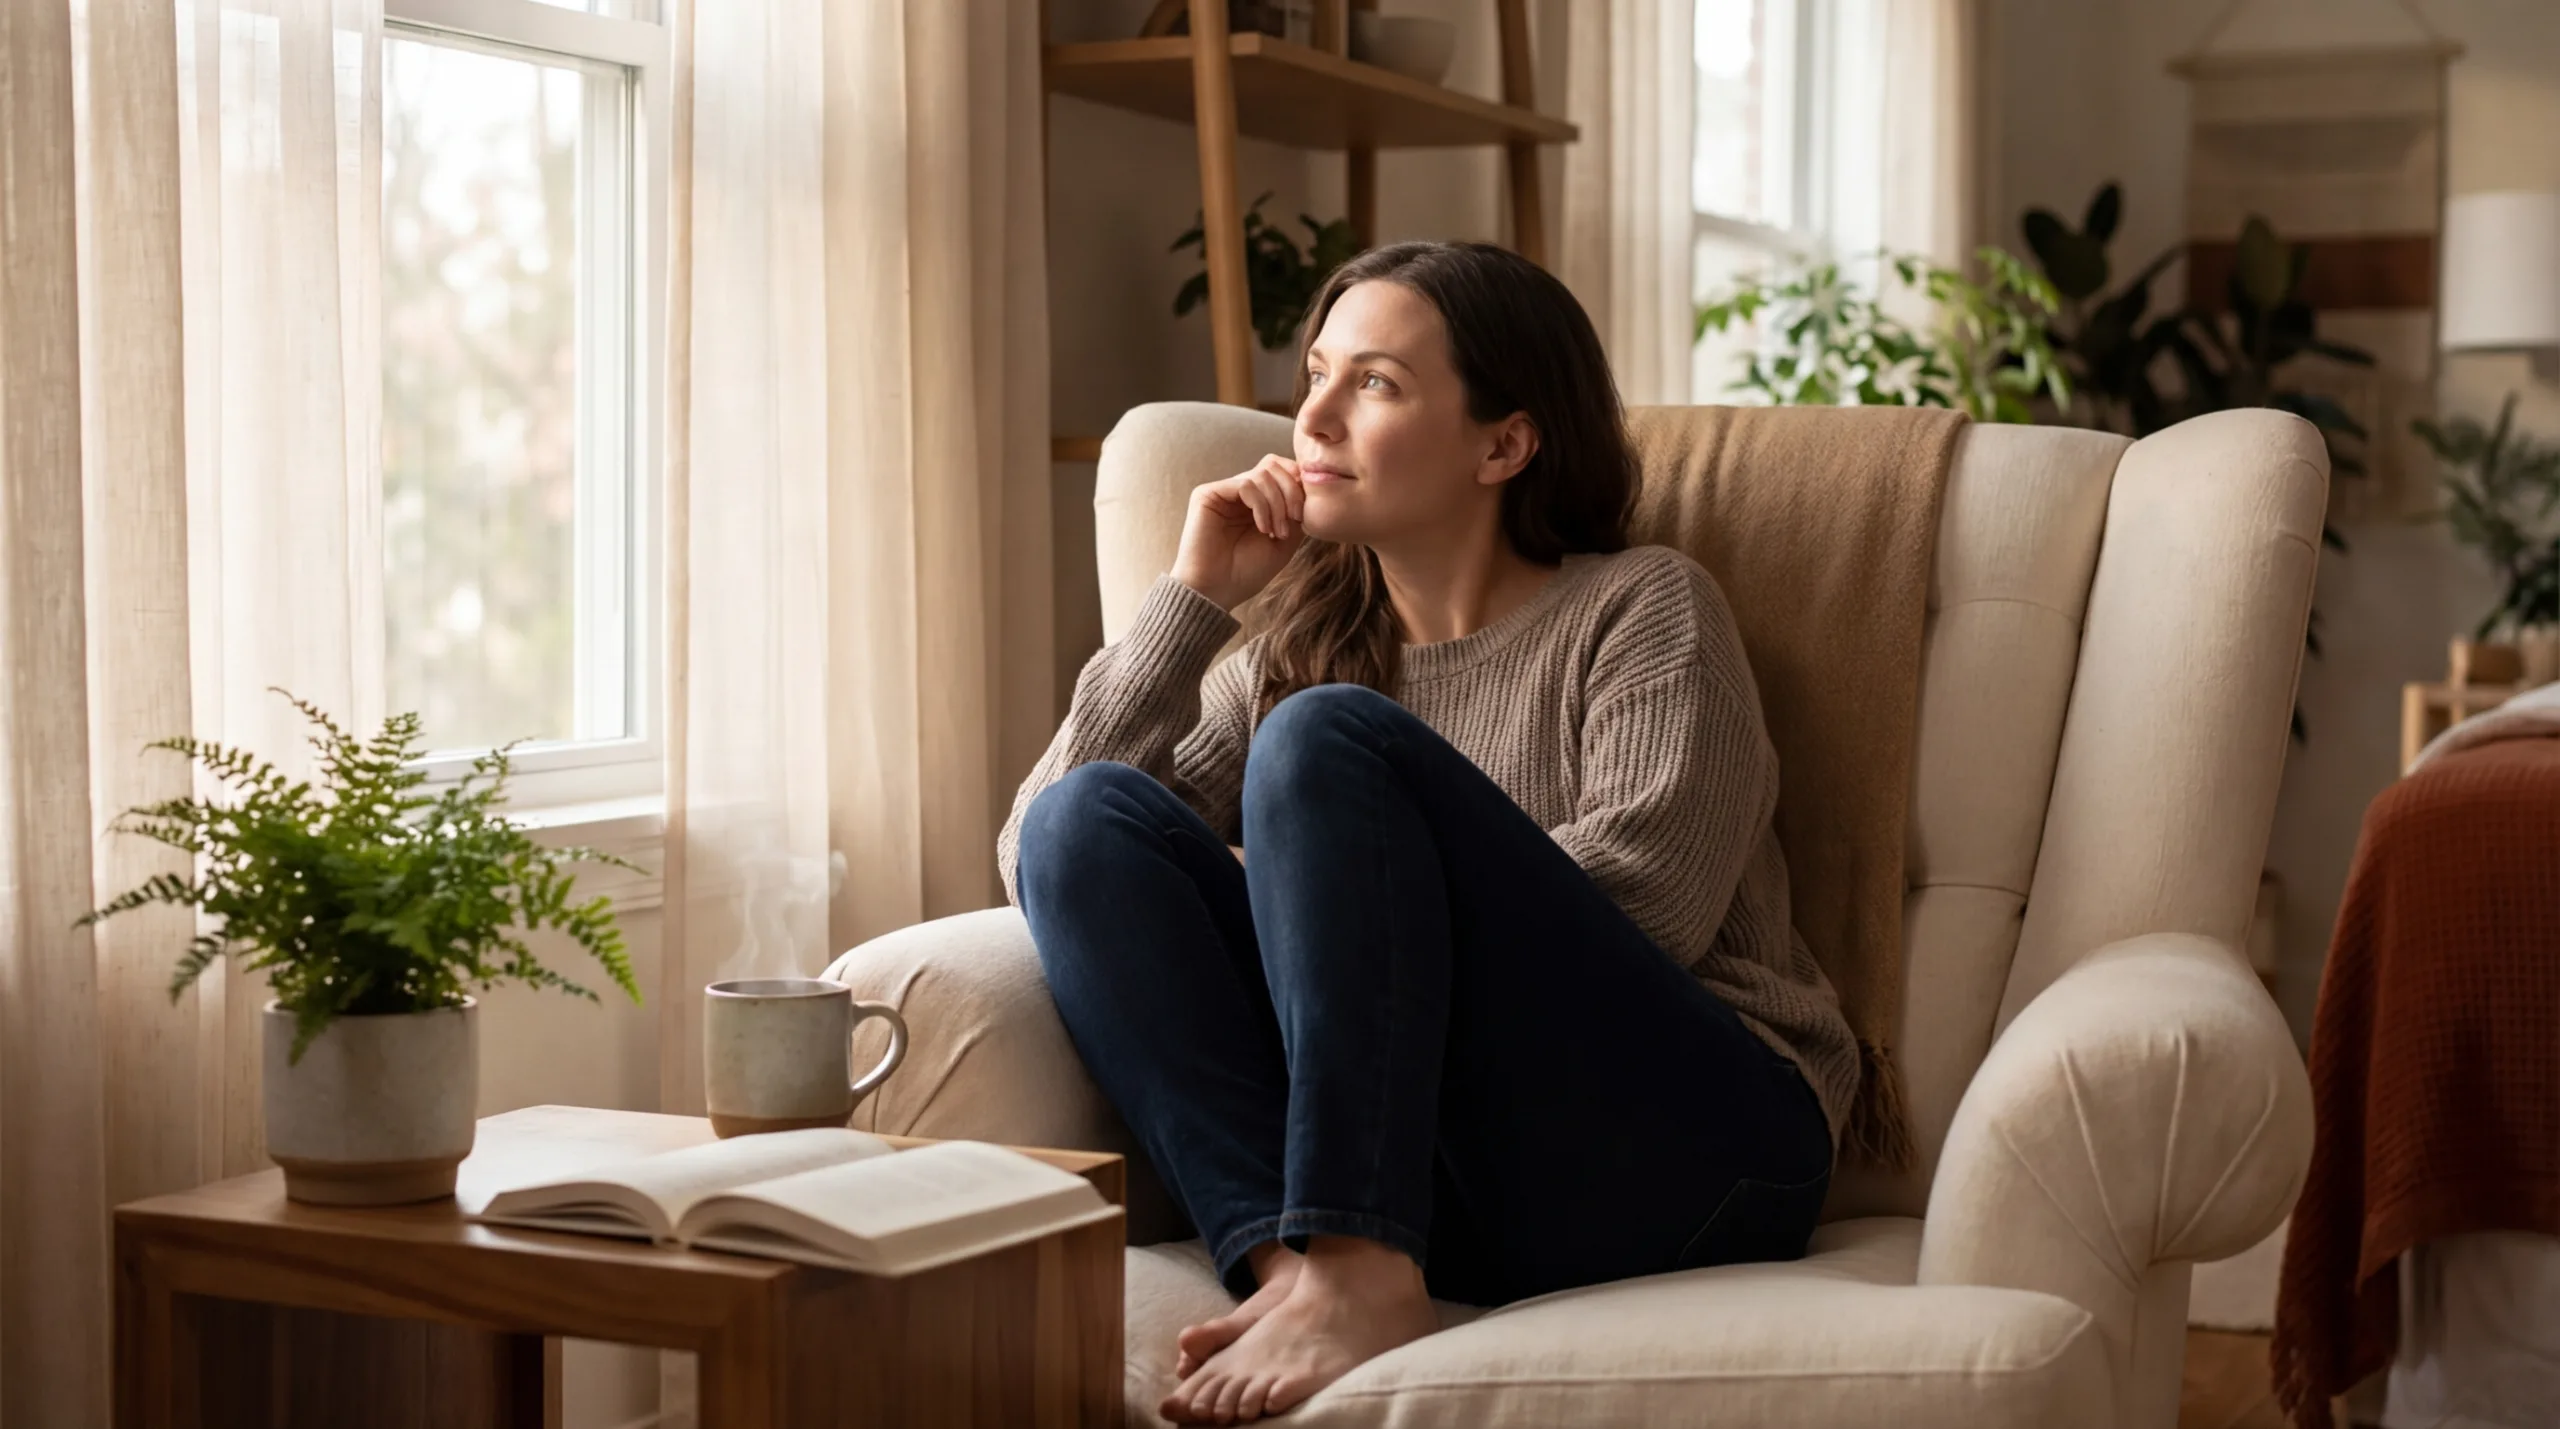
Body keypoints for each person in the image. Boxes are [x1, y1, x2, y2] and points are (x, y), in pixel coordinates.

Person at [999, 241, 1854, 1426]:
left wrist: (1342, 871)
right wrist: (1192, 603)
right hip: (1446, 1181)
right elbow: (1042, 860)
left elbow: (1653, 901)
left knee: (1321, 746)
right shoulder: (1286, 660)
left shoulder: (1641, 605)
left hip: (1701, 1145)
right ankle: (1297, 1273)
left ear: (1503, 443)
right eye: (1315, 374)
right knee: (1088, 817)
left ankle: (1354, 1259)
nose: (1314, 416)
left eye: (1376, 384)